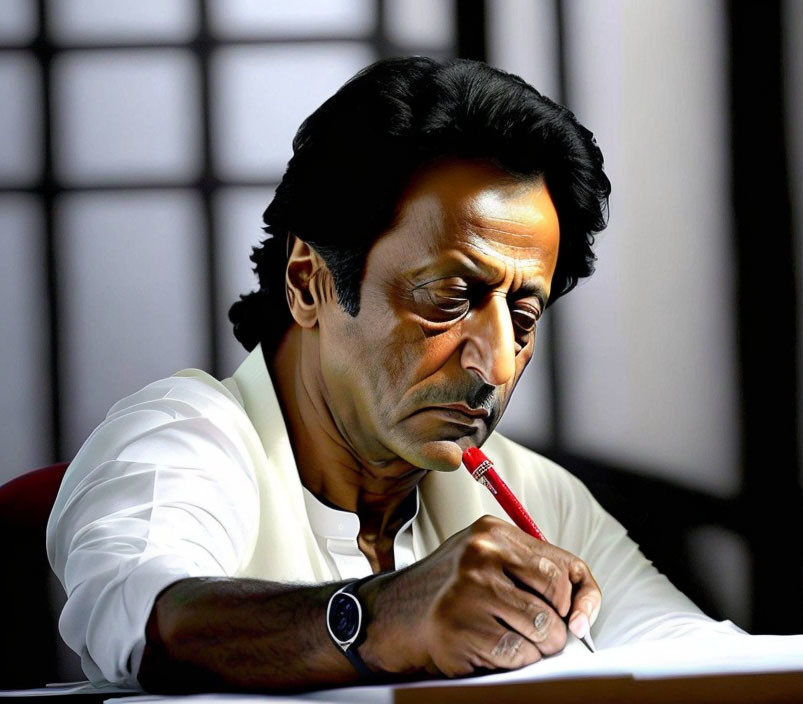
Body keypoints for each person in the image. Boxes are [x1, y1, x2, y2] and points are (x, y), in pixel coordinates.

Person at [47, 56, 741, 693]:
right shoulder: (185, 439)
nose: (496, 363)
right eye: (448, 297)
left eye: (524, 319)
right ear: (309, 282)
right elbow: (144, 619)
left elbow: (690, 655)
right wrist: (384, 616)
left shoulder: (530, 495)